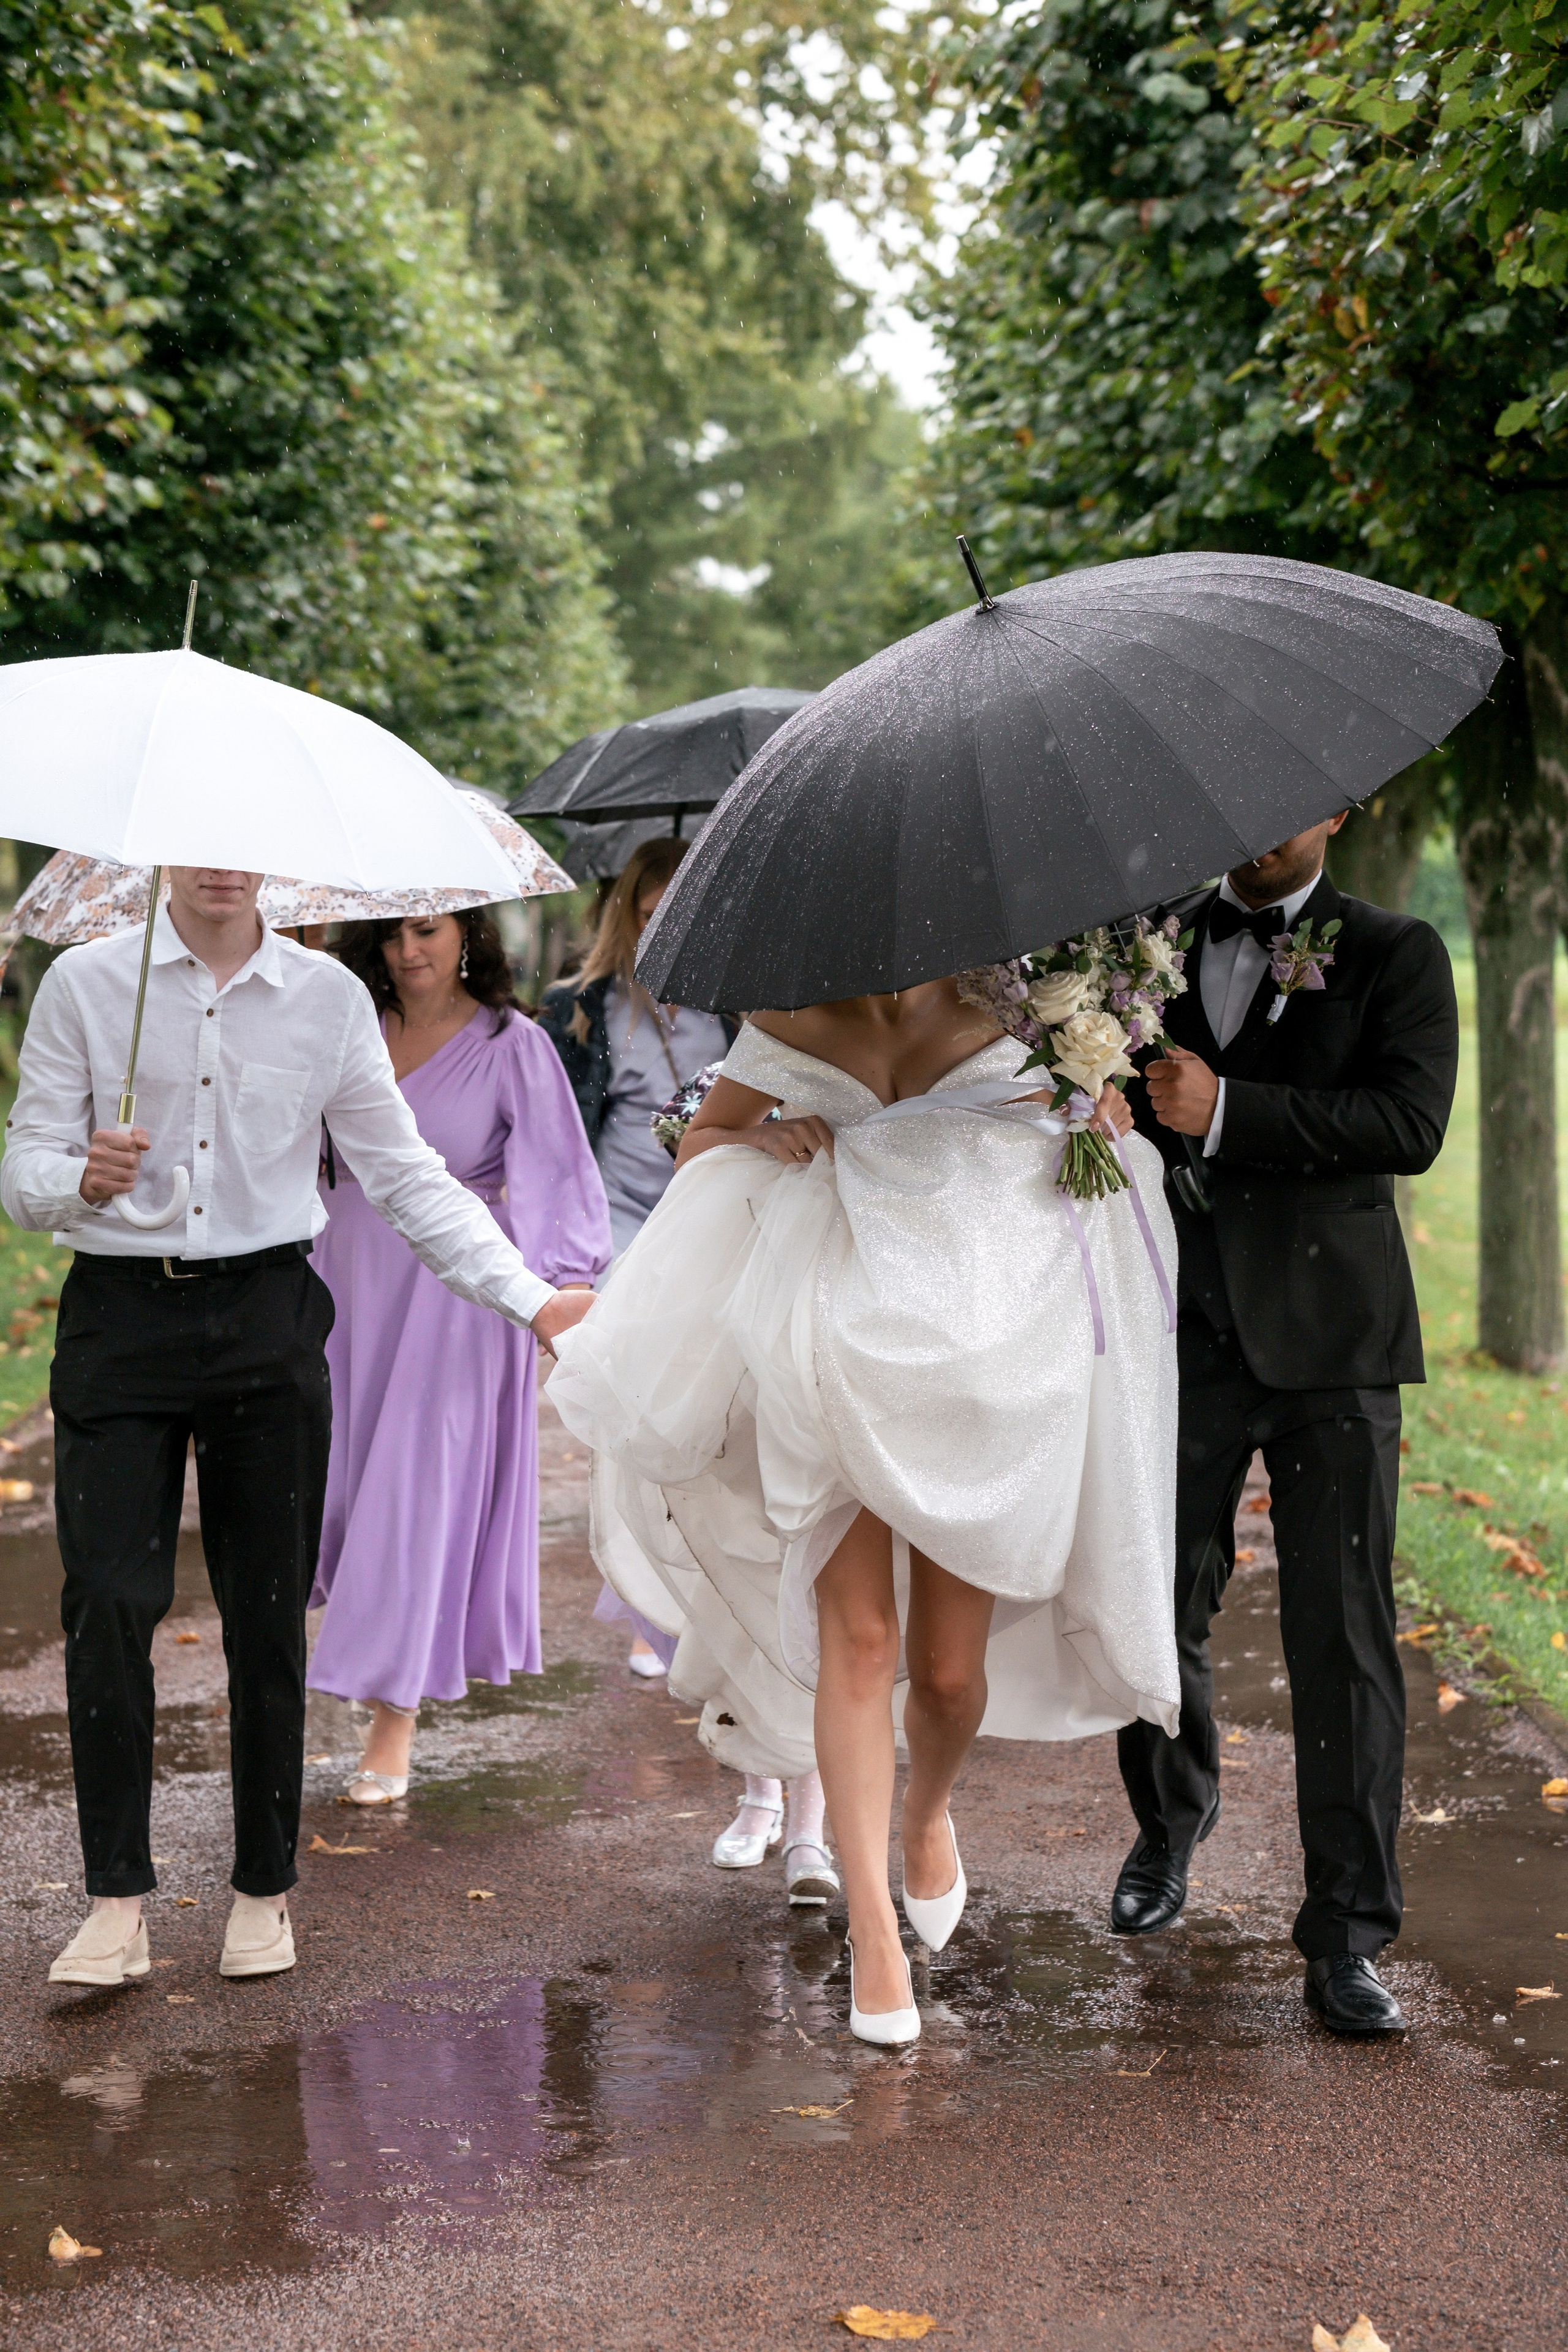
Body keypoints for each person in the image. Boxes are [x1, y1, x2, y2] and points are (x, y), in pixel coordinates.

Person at [549, 977, 1181, 2045]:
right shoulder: (791, 1019)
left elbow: (1081, 1144)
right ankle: (874, 1930)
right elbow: (702, 1142)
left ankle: (927, 1812)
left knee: (947, 1675)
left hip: (971, 1369)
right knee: (859, 1641)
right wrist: (760, 1138)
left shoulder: (1024, 1011)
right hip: (828, 1355)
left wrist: (1099, 1108)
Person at [1, 868, 596, 1989]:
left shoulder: (326, 999)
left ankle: (262, 1890)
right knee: (108, 1605)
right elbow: (22, 1168)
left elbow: (406, 1174)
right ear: (166, 854)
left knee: (265, 1614)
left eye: (244, 842)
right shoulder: (87, 984)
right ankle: (115, 1903)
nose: (223, 865)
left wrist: (529, 1299)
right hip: (119, 1322)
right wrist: (75, 1177)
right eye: (202, 840)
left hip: (267, 1319)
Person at [1120, 816, 1458, 2038]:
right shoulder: (1140, 950)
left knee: (1342, 1638)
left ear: (1338, 811)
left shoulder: (1396, 951)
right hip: (1177, 1328)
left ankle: (1347, 1936)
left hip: (1335, 1343)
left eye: (1290, 808)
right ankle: (1169, 1823)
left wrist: (1229, 1110)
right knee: (1150, 1602)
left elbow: (1407, 1127)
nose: (1260, 828)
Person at [307, 908, 612, 1803]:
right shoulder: (344, 1025)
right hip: (338, 1279)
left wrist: (561, 1292)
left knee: (416, 1493)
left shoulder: (514, 1044)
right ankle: (342, 1663)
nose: (409, 951)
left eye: (428, 931)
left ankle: (393, 1718)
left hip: (459, 1299)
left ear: (467, 935)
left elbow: (560, 1171)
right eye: (392, 935)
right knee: (334, 1486)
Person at [538, 837, 733, 1683]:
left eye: (682, 908)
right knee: (638, 1413)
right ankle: (645, 1602)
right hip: (620, 1224)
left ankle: (713, 1593)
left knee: (716, 1414)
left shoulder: (741, 1007)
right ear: (627, 915)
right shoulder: (582, 1009)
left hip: (716, 1218)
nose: (667, 926)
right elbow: (556, 1141)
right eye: (651, 913)